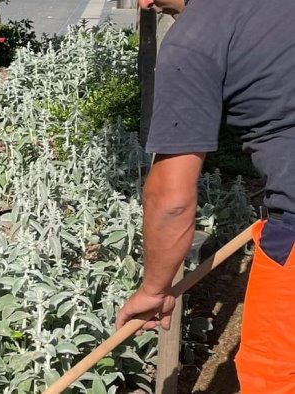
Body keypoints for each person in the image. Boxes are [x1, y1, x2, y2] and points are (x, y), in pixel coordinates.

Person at [115, 0, 295, 392]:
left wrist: (153, 290)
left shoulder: (195, 39)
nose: (146, 4)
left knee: (273, 375)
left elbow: (171, 199)